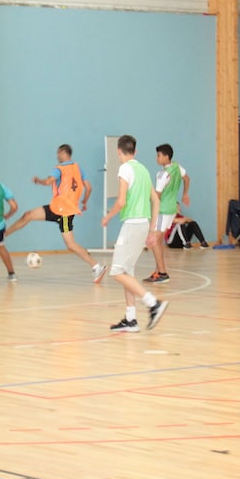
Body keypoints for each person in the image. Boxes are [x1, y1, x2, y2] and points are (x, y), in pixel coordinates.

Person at [6, 144, 107, 282]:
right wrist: (84, 202)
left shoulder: (59, 169)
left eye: (58, 153)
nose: (56, 156)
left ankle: (97, 266)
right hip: (56, 208)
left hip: (64, 212)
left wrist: (38, 180)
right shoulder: (78, 168)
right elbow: (88, 188)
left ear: (63, 152)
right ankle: (4, 234)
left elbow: (48, 182)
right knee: (28, 215)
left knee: (71, 245)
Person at [102, 135, 169, 332]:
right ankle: (131, 319)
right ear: (135, 151)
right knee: (127, 272)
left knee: (117, 271)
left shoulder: (124, 169)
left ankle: (153, 303)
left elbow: (121, 201)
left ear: (118, 152)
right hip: (143, 225)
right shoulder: (143, 170)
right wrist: (153, 230)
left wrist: (108, 216)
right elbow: (156, 201)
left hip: (132, 225)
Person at [143, 143, 190, 283]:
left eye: (158, 155)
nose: (156, 158)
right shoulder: (177, 166)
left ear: (166, 156)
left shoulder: (162, 174)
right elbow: (187, 179)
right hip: (172, 209)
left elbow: (157, 195)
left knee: (154, 241)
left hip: (162, 210)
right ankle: (158, 272)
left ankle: (163, 273)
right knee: (158, 241)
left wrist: (144, 199)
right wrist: (185, 194)